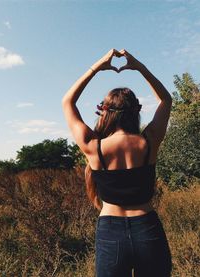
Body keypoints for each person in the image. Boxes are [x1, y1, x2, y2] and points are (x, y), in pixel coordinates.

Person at [62, 49, 173, 277]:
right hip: (147, 229)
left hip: (111, 232)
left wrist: (97, 67)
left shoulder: (93, 146)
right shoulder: (148, 141)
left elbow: (68, 101)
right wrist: (139, 66)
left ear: (104, 112)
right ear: (136, 112)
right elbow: (166, 99)